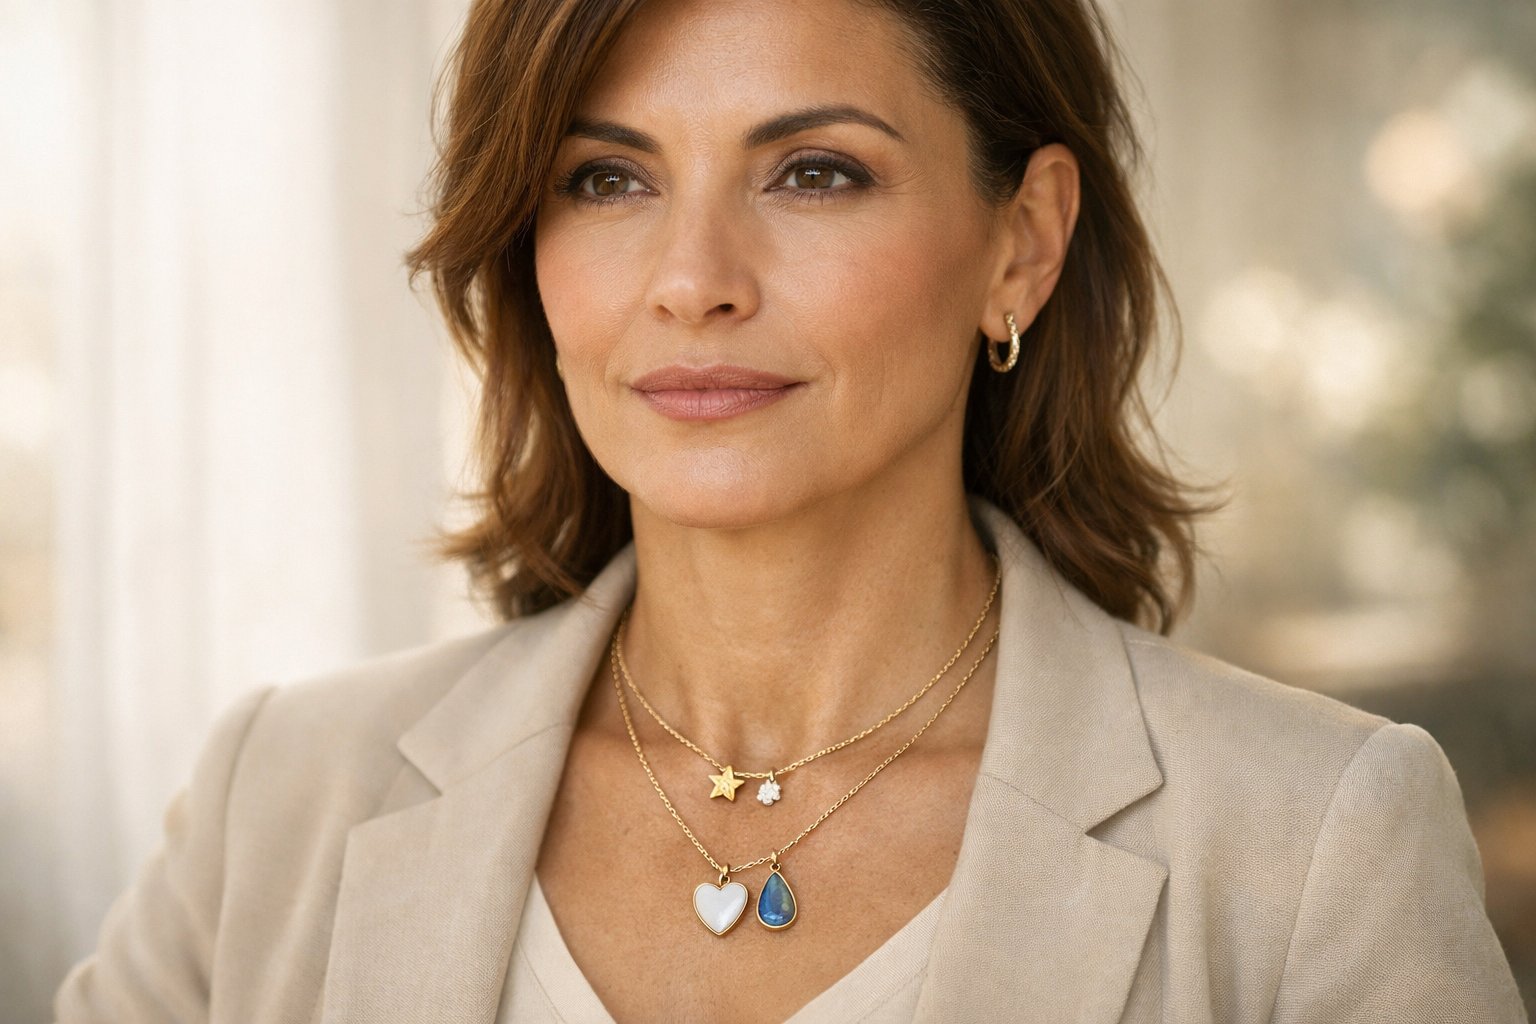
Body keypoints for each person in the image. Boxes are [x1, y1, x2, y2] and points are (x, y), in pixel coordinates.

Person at [55, 0, 1527, 1020]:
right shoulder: (280, 797)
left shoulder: (1315, 841)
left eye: (814, 172)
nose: (693, 278)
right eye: (606, 177)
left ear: (1022, 245)